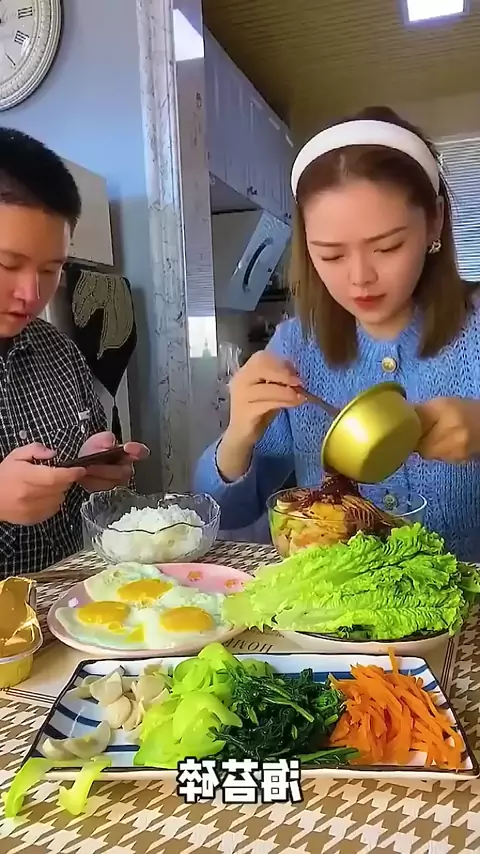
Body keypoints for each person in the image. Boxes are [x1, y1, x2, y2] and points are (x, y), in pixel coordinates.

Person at [195, 105, 480, 562]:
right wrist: (239, 436)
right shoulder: (295, 346)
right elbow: (225, 513)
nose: (360, 278)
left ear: (435, 221)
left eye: (388, 247)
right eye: (331, 255)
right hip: (335, 604)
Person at [0, 128, 148, 576]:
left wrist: (101, 470)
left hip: (65, 604)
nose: (31, 294)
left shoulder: (59, 352)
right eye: (7, 264)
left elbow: (97, 497)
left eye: (51, 269)